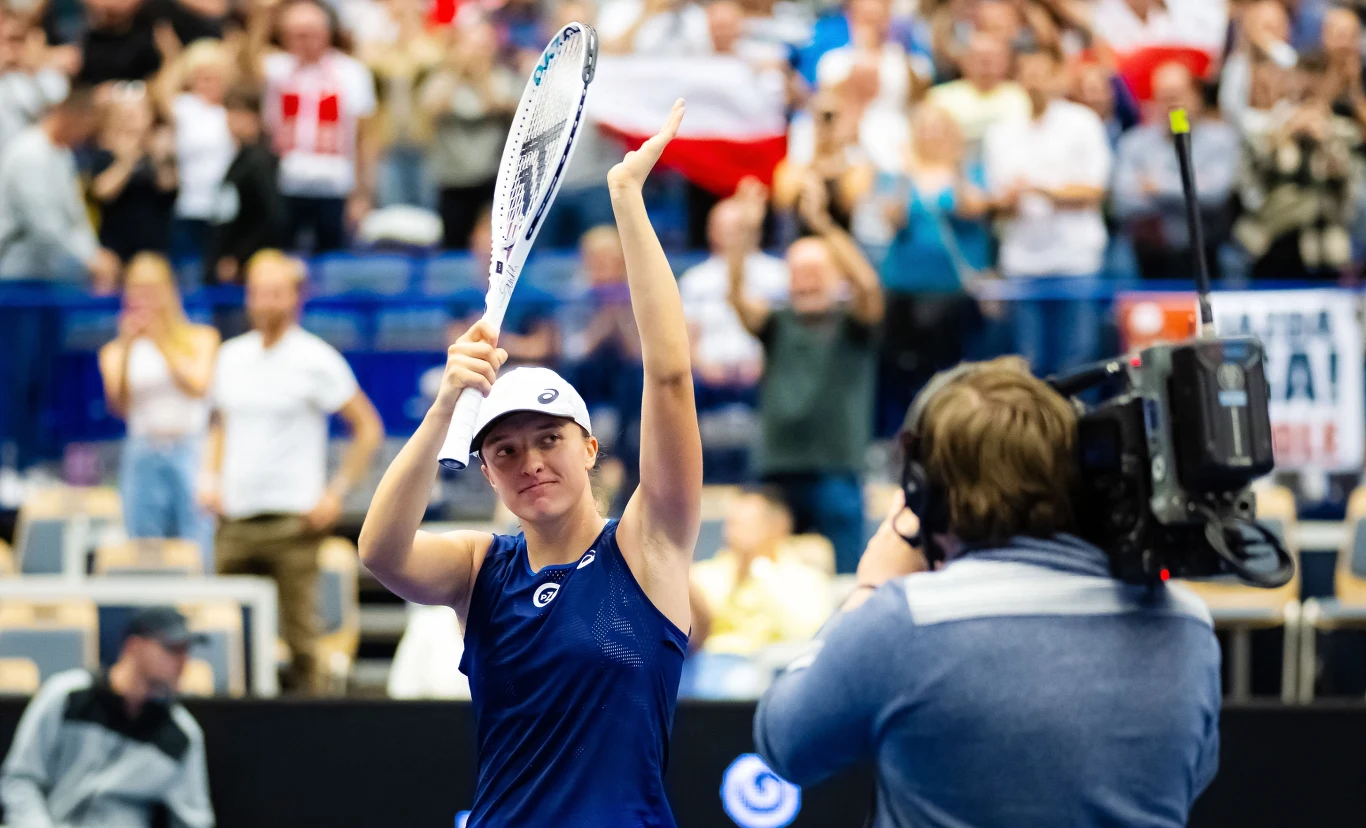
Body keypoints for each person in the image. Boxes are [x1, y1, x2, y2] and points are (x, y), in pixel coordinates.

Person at [357, 101, 702, 826]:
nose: (530, 461)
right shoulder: (482, 570)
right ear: (485, 470)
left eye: (550, 439)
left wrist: (626, 202)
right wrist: (447, 403)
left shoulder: (648, 547)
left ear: (590, 448)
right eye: (506, 450)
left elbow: (669, 376)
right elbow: (380, 553)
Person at [753, 357, 1221, 827]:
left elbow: (784, 745)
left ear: (924, 495)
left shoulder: (905, 623)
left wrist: (871, 588)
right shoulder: (1188, 624)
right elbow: (1195, 775)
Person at [201, 250, 383, 693]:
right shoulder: (229, 357)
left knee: (304, 644)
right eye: (258, 292)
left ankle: (312, 742)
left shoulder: (316, 359)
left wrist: (336, 493)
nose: (265, 302)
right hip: (235, 520)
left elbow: (367, 429)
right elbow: (221, 424)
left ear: (296, 299)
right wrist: (209, 478)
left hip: (295, 524)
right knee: (229, 639)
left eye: (276, 293)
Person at [727, 177, 884, 574]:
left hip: (836, 468)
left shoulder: (853, 323)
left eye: (816, 270)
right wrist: (745, 233)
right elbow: (737, 296)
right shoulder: (778, 323)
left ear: (836, 276)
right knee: (769, 573)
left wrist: (825, 224)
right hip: (777, 469)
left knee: (847, 575)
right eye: (798, 271)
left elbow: (868, 286)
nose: (806, 279)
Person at [0, 607, 214, 828]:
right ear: (134, 646)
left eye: (186, 650)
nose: (182, 661)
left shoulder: (181, 734)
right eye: (171, 648)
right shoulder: (66, 695)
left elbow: (194, 821)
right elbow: (21, 779)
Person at [0, 85, 120, 471]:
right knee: (15, 373)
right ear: (69, 117)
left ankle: (32, 458)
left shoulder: (60, 155)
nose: (86, 137)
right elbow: (44, 224)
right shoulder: (27, 154)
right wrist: (89, 260)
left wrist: (96, 254)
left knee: (41, 372)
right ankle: (11, 461)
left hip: (47, 280)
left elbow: (74, 215)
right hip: (14, 281)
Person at [983, 47, 1111, 376]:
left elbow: (1094, 189)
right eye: (1027, 73)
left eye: (1041, 73)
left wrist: (1040, 188)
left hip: (1075, 259)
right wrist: (1006, 200)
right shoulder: (1001, 132)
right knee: (1028, 360)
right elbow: (996, 201)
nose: (1034, 82)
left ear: (1057, 77)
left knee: (1079, 358)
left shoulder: (1082, 123)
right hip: (1023, 261)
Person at [875, 103, 989, 435]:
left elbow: (972, 208)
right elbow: (891, 218)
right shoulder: (898, 175)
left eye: (938, 126)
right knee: (901, 369)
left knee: (949, 370)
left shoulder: (970, 170)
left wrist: (955, 167)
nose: (931, 134)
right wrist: (905, 174)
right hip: (903, 285)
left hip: (951, 290)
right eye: (924, 126)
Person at [99, 253, 220, 567]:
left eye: (152, 290)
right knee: (143, 548)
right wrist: (127, 348)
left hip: (191, 448)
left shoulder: (201, 337)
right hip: (142, 450)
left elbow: (199, 387)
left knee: (197, 544)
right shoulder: (114, 350)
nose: (144, 299)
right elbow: (119, 406)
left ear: (170, 291)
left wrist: (161, 341)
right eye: (136, 290)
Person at [249, 0, 377, 252]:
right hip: (285, 181)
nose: (302, 42)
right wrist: (262, 17)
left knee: (331, 259)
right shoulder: (277, 68)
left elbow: (366, 137)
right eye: (294, 35)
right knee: (282, 254)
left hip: (334, 183)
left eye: (309, 34)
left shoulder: (351, 72)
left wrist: (362, 194)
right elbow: (245, 63)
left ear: (326, 33)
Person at [1235, 52, 1362, 281]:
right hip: (1272, 240)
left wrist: (1327, 139)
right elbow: (1249, 184)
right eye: (1303, 78)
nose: (1309, 86)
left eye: (1318, 80)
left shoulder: (1344, 131)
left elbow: (1351, 188)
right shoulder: (1264, 128)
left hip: (1326, 246)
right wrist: (1285, 134)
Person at [1113, 61, 1238, 280]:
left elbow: (1215, 196)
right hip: (1149, 257)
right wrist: (1191, 188)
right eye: (1163, 96)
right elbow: (1124, 201)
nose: (1171, 104)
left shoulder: (1221, 139)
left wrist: (1155, 187)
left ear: (1196, 96)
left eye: (1177, 95)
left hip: (1207, 254)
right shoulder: (1134, 142)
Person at [689, 487, 833, 654]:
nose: (732, 533)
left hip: (772, 668)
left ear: (778, 526)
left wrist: (761, 573)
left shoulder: (805, 579)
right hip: (710, 665)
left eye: (745, 524)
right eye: (731, 523)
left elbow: (807, 633)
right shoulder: (710, 573)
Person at [419, 19, 518, 250]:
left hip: (491, 178)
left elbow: (501, 106)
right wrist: (456, 71)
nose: (476, 53)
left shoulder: (500, 78)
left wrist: (481, 76)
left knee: (494, 245)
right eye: (471, 45)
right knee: (454, 244)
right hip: (452, 179)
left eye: (483, 46)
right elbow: (431, 108)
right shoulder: (442, 80)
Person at [678, 195, 790, 392]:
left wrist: (768, 364)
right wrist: (702, 366)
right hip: (706, 379)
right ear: (711, 231)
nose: (733, 236)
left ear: (755, 230)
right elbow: (685, 336)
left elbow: (788, 331)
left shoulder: (779, 274)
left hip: (769, 374)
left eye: (739, 228)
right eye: (725, 229)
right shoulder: (695, 279)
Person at [158, 37, 236, 265]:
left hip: (226, 208)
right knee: (187, 272)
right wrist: (174, 59)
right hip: (191, 204)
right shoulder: (185, 107)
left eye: (215, 76)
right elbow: (162, 92)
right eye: (203, 77)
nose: (209, 83)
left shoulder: (232, 112)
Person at [206, 81, 287, 285]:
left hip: (247, 271)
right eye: (228, 112)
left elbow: (272, 217)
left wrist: (239, 256)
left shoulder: (260, 161)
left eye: (237, 113)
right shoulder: (240, 157)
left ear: (255, 117)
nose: (230, 120)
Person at [90, 82, 179, 264]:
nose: (131, 119)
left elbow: (169, 187)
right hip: (114, 247)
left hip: (154, 246)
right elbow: (102, 192)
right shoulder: (105, 155)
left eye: (137, 113)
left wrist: (159, 158)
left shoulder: (159, 154)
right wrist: (128, 159)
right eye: (125, 114)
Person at [925, 32, 1029, 148]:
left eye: (992, 59)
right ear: (964, 60)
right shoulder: (939, 98)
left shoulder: (1020, 95)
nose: (986, 65)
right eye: (980, 59)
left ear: (1006, 61)